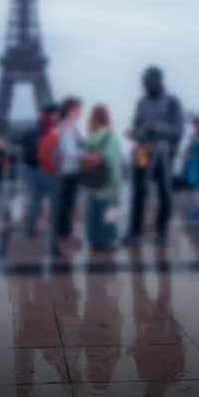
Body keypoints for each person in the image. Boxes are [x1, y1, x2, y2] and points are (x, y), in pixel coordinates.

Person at [123, 66, 184, 247]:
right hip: (142, 151)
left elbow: (177, 130)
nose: (145, 85)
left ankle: (161, 232)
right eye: (143, 82)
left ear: (158, 81)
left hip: (162, 153)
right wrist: (134, 132)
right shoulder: (141, 103)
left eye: (148, 82)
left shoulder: (172, 102)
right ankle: (134, 232)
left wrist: (155, 127)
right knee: (138, 191)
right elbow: (137, 126)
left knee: (164, 193)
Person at [82, 105, 124, 251]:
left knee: (94, 210)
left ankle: (94, 240)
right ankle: (108, 240)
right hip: (108, 181)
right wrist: (117, 180)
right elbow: (115, 160)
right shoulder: (110, 136)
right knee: (110, 211)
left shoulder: (90, 137)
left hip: (93, 181)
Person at [20, 104, 60, 239]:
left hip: (30, 169)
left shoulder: (31, 131)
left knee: (35, 200)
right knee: (55, 200)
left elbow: (22, 145)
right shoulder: (52, 129)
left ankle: (31, 229)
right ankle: (57, 231)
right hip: (47, 169)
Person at [55, 97, 83, 255]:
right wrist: (84, 155)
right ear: (71, 109)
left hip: (70, 169)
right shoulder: (67, 126)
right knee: (66, 204)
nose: (80, 112)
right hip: (69, 170)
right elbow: (68, 151)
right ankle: (64, 236)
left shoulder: (68, 125)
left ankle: (66, 234)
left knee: (68, 204)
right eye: (78, 109)